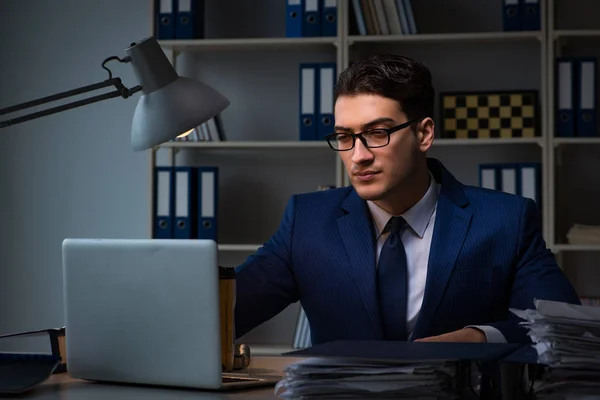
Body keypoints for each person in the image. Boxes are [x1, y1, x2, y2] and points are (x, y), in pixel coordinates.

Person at [233, 53, 580, 345]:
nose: (358, 156)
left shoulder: (507, 220)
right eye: (344, 137)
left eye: (376, 133)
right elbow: (225, 314)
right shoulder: (306, 221)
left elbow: (564, 332)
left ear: (424, 133)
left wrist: (479, 336)